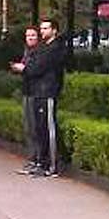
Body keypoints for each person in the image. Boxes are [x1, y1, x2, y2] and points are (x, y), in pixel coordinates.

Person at [11, 18, 69, 177]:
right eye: (41, 28)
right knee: (40, 128)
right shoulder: (46, 47)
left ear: (54, 30)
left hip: (48, 91)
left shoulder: (55, 48)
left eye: (45, 28)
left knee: (49, 128)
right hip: (39, 91)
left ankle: (53, 165)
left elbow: (38, 68)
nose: (42, 31)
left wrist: (25, 68)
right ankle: (42, 163)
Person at [10, 26, 41, 175]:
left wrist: (24, 68)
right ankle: (32, 159)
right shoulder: (27, 52)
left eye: (33, 35)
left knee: (35, 127)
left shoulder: (40, 52)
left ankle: (39, 159)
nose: (30, 38)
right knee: (28, 127)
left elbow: (35, 69)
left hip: (37, 92)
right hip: (27, 91)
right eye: (28, 35)